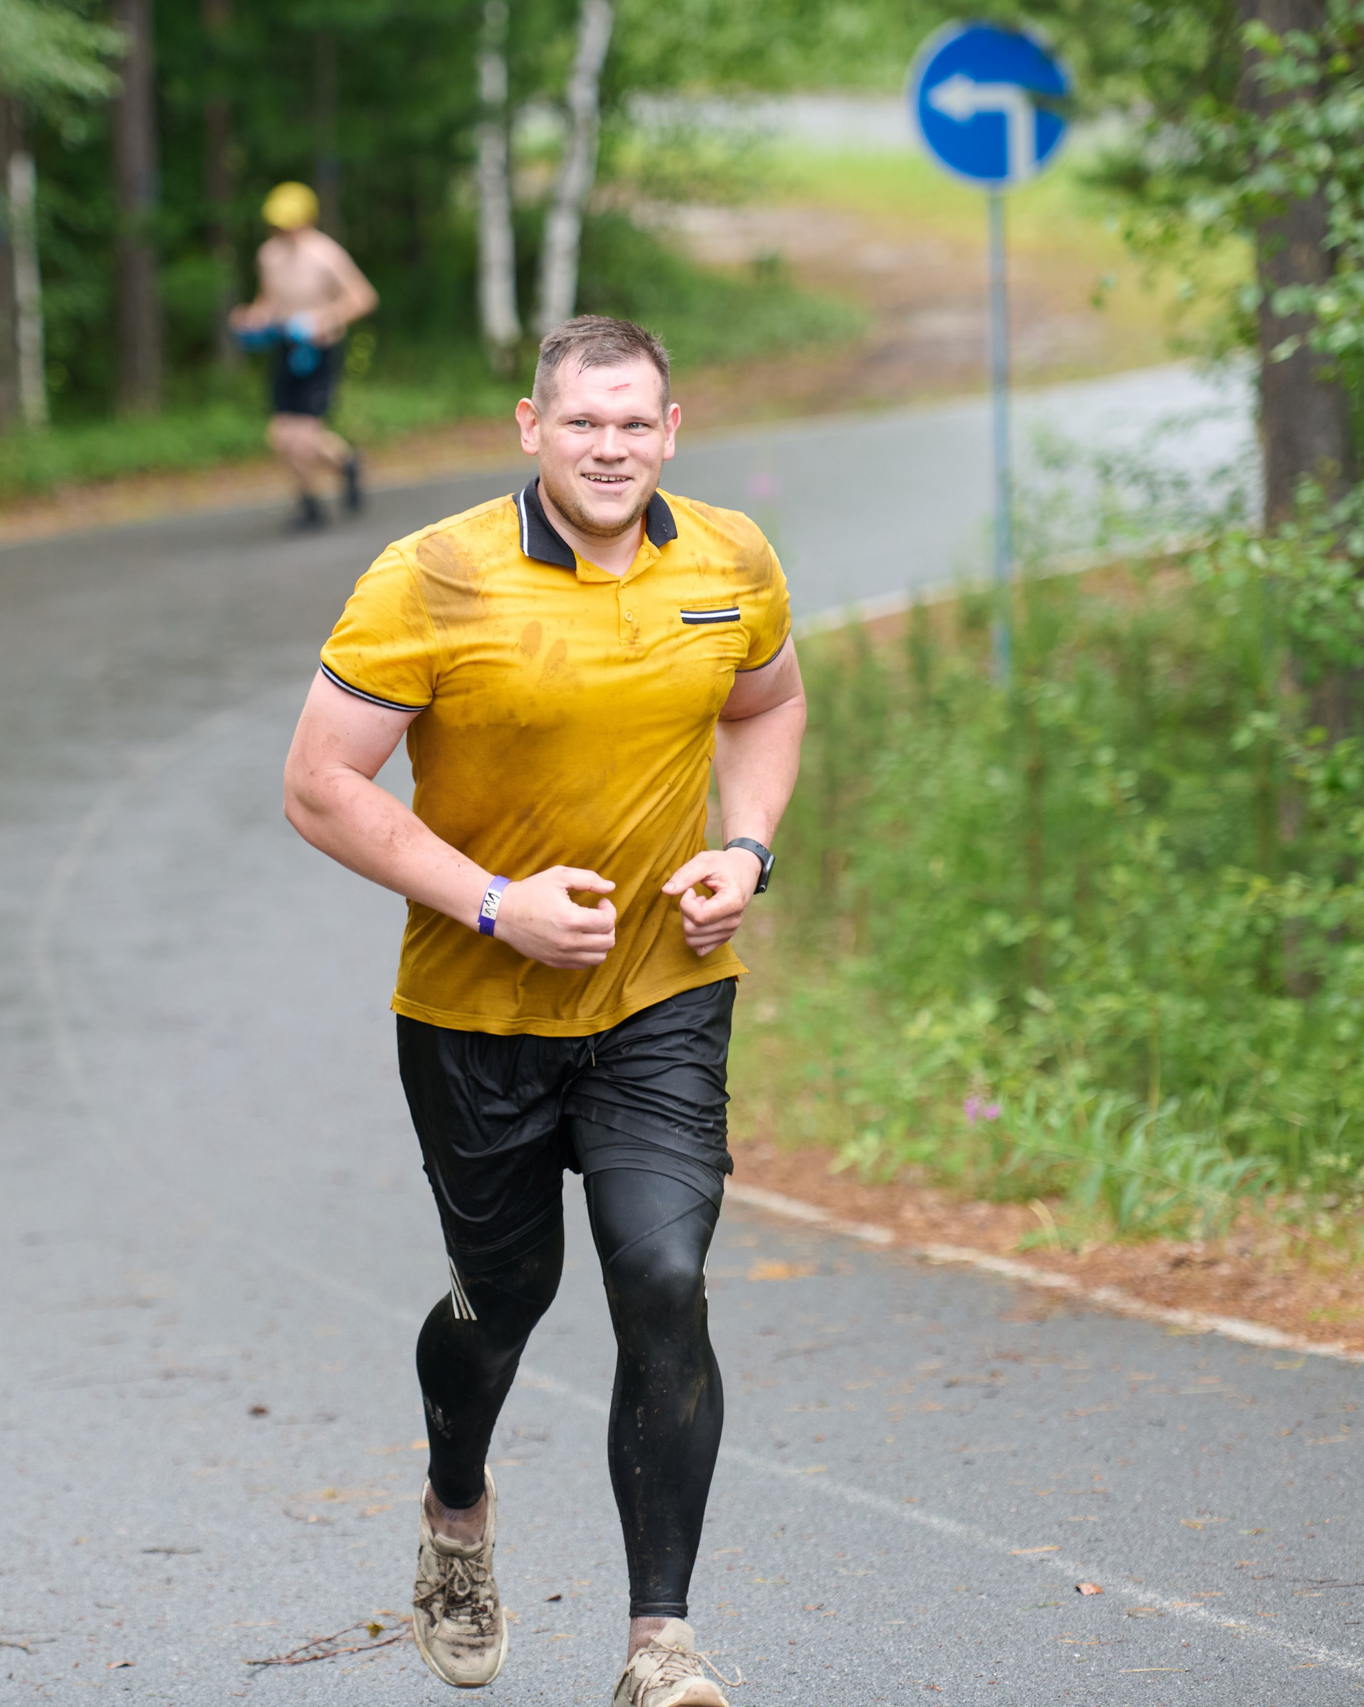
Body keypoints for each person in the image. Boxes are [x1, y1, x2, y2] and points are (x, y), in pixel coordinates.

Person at [282, 316, 807, 1706]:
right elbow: (321, 783)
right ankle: (458, 1504)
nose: (612, 447)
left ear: (672, 430)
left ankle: (661, 1645)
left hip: (663, 997)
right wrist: (494, 902)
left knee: (660, 1274)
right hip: (475, 1012)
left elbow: (769, 705)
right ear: (532, 426)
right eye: (585, 423)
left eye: (636, 423)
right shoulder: (433, 575)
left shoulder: (731, 558)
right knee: (505, 1296)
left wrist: (742, 850)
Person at [231, 180, 378, 531]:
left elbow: (363, 297)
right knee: (280, 434)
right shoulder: (268, 255)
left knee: (304, 435)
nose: (285, 231)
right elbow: (269, 301)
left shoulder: (325, 254)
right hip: (286, 347)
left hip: (321, 349)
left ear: (307, 219)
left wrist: (323, 319)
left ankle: (338, 472)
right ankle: (316, 493)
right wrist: (253, 316)